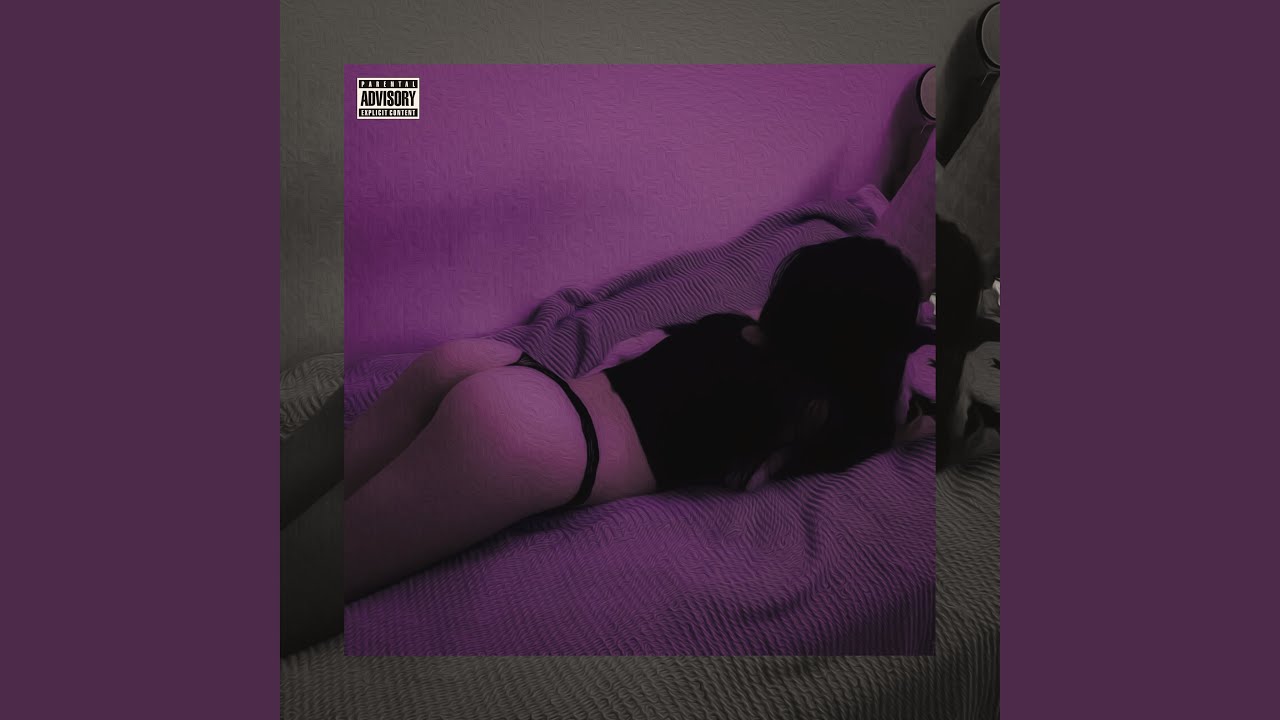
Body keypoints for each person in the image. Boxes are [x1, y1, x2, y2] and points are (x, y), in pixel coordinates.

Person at [280, 234, 925, 654]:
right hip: (538, 435)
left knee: (311, 471)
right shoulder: (803, 413)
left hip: (498, 366)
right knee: (306, 587)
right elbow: (886, 421)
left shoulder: (730, 324)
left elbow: (640, 349)